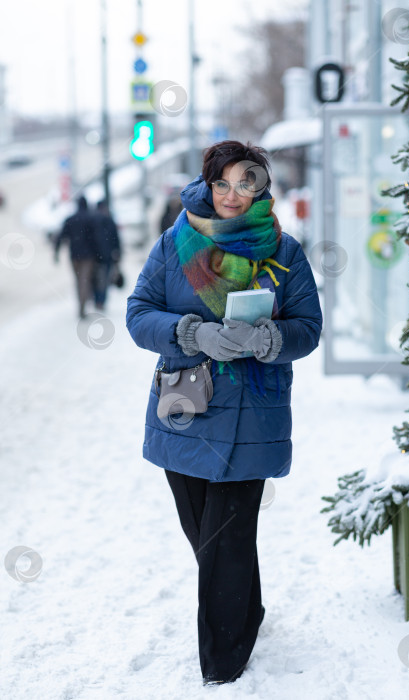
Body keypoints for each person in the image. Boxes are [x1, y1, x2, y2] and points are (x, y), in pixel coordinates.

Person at [126, 140, 323, 687]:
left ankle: (223, 664)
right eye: (223, 183)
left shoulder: (285, 252)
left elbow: (307, 328)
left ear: (261, 187)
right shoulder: (174, 244)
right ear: (208, 184)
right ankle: (247, 610)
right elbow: (139, 312)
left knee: (227, 541)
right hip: (186, 405)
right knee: (205, 538)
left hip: (252, 414)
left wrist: (267, 337)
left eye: (246, 183)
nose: (233, 195)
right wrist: (191, 331)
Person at [54, 195, 97, 319]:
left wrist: (56, 253)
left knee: (78, 281)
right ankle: (82, 307)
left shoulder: (70, 219)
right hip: (88, 256)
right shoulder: (90, 219)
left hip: (74, 256)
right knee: (85, 280)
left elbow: (61, 236)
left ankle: (81, 305)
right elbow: (96, 239)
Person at [91, 199, 122, 310]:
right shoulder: (109, 219)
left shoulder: (92, 220)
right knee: (104, 279)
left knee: (96, 279)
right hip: (107, 255)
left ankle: (97, 299)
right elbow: (115, 237)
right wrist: (117, 252)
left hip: (95, 255)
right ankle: (101, 300)